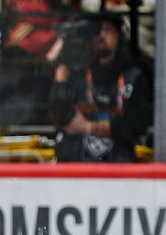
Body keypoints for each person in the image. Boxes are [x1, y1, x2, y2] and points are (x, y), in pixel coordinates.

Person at [48, 13, 151, 162]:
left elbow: (137, 125)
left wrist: (88, 127)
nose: (101, 35)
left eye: (108, 30)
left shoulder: (133, 75)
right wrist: (61, 67)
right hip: (76, 161)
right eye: (96, 31)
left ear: (120, 35)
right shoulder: (77, 71)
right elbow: (58, 114)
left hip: (117, 164)